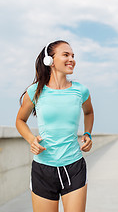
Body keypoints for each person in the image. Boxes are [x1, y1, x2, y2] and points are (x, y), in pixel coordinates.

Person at [16, 40, 94, 212]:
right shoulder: (35, 92)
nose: (71, 59)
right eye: (66, 55)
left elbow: (89, 112)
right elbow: (20, 121)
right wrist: (31, 140)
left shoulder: (80, 91)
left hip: (74, 166)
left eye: (73, 55)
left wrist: (87, 133)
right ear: (49, 60)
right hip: (43, 169)